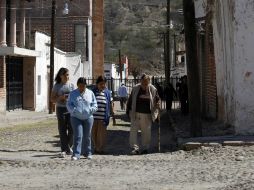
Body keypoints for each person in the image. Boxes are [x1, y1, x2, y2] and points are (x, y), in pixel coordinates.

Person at [126, 74, 160, 155]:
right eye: (143, 82)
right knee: (133, 132)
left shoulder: (152, 89)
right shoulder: (135, 88)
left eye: (146, 82)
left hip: (147, 115)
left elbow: (157, 99)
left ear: (149, 82)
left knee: (146, 132)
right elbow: (130, 100)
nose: (144, 84)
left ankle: (145, 148)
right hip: (135, 114)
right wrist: (128, 111)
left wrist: (157, 103)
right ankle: (135, 148)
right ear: (140, 81)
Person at [67, 77, 98, 160]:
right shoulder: (73, 93)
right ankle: (76, 154)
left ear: (86, 86)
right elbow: (69, 104)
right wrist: (73, 111)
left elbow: (95, 105)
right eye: (80, 86)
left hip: (88, 117)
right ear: (77, 85)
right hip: (76, 118)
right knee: (78, 135)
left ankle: (88, 153)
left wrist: (91, 110)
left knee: (87, 136)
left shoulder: (90, 93)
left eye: (83, 86)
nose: (81, 88)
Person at [51, 67, 74, 158]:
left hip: (71, 109)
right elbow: (52, 99)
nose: (67, 77)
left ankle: (68, 147)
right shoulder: (56, 86)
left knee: (72, 129)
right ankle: (64, 150)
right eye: (66, 75)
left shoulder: (72, 85)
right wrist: (60, 98)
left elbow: (75, 97)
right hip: (60, 109)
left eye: (68, 75)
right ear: (61, 76)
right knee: (62, 129)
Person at [92, 76, 113, 154]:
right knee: (94, 133)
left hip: (103, 117)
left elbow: (110, 103)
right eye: (101, 84)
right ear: (97, 84)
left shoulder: (107, 92)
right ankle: (95, 147)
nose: (102, 85)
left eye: (104, 84)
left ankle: (100, 148)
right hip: (93, 117)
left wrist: (112, 113)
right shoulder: (93, 92)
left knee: (101, 135)